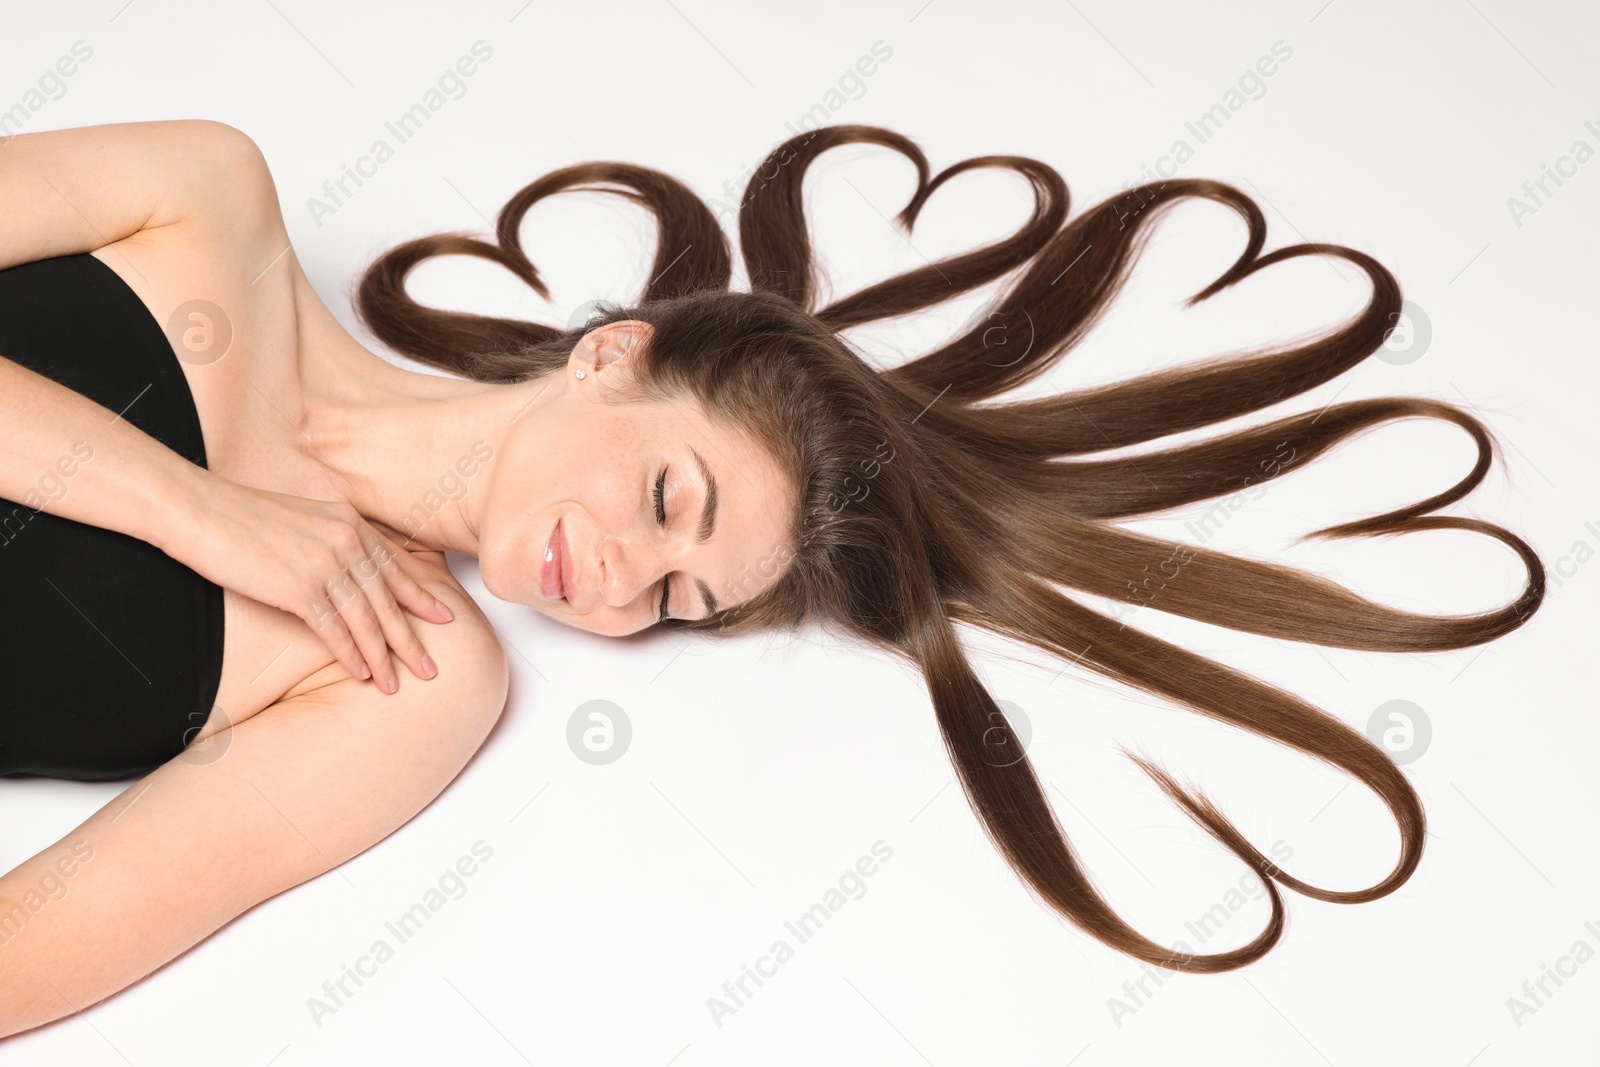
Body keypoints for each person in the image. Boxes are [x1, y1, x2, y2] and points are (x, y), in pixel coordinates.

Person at [0, 120, 1543, 1036]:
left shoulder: (410, 675)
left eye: (680, 599)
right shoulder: (206, 197)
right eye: (671, 498)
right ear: (616, 356)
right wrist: (193, 512)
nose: (621, 581)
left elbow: (54, 936)